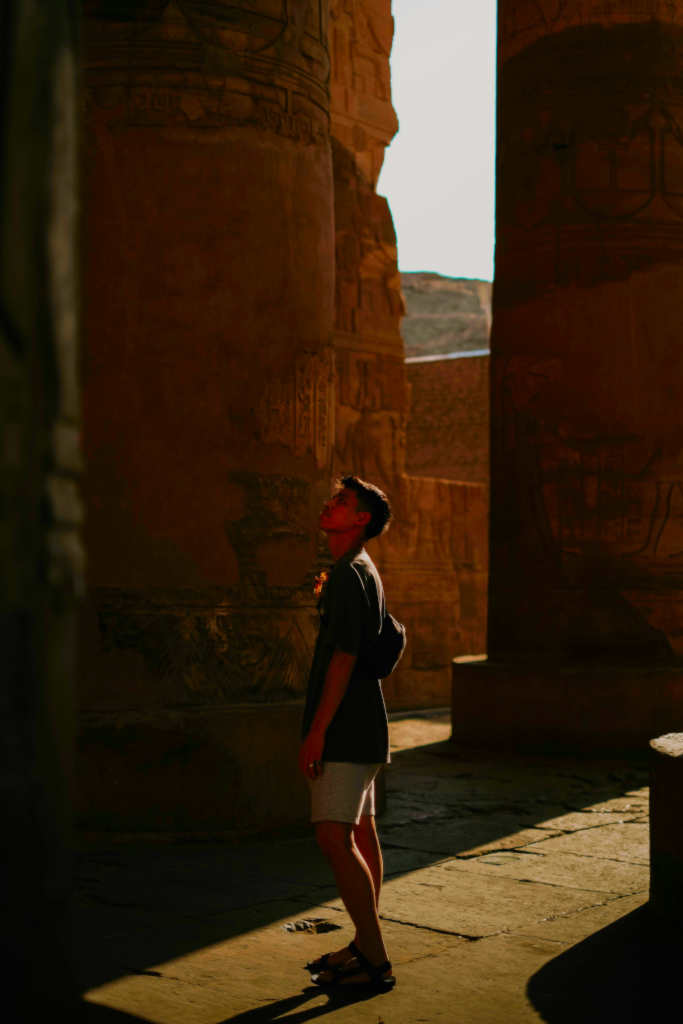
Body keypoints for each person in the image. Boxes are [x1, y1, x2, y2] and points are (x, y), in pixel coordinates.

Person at [299, 475, 395, 993]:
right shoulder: (358, 570)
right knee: (361, 832)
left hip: (345, 727)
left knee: (332, 835)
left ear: (361, 520)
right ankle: (364, 943)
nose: (330, 504)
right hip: (365, 724)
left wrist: (316, 732)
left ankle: (374, 956)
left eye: (342, 501)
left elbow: (344, 657)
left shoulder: (349, 573)